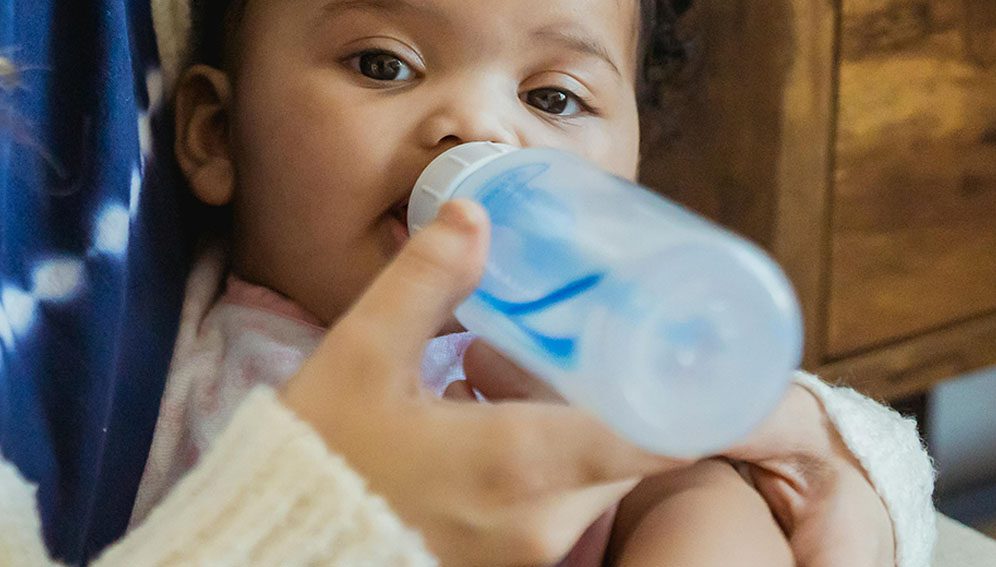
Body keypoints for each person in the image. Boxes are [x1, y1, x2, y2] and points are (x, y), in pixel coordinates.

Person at [0, 0, 935, 565]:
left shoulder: (599, 345)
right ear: (215, 133)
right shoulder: (194, 379)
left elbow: (770, 472)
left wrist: (707, 503)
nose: (480, 127)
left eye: (553, 97)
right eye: (383, 64)